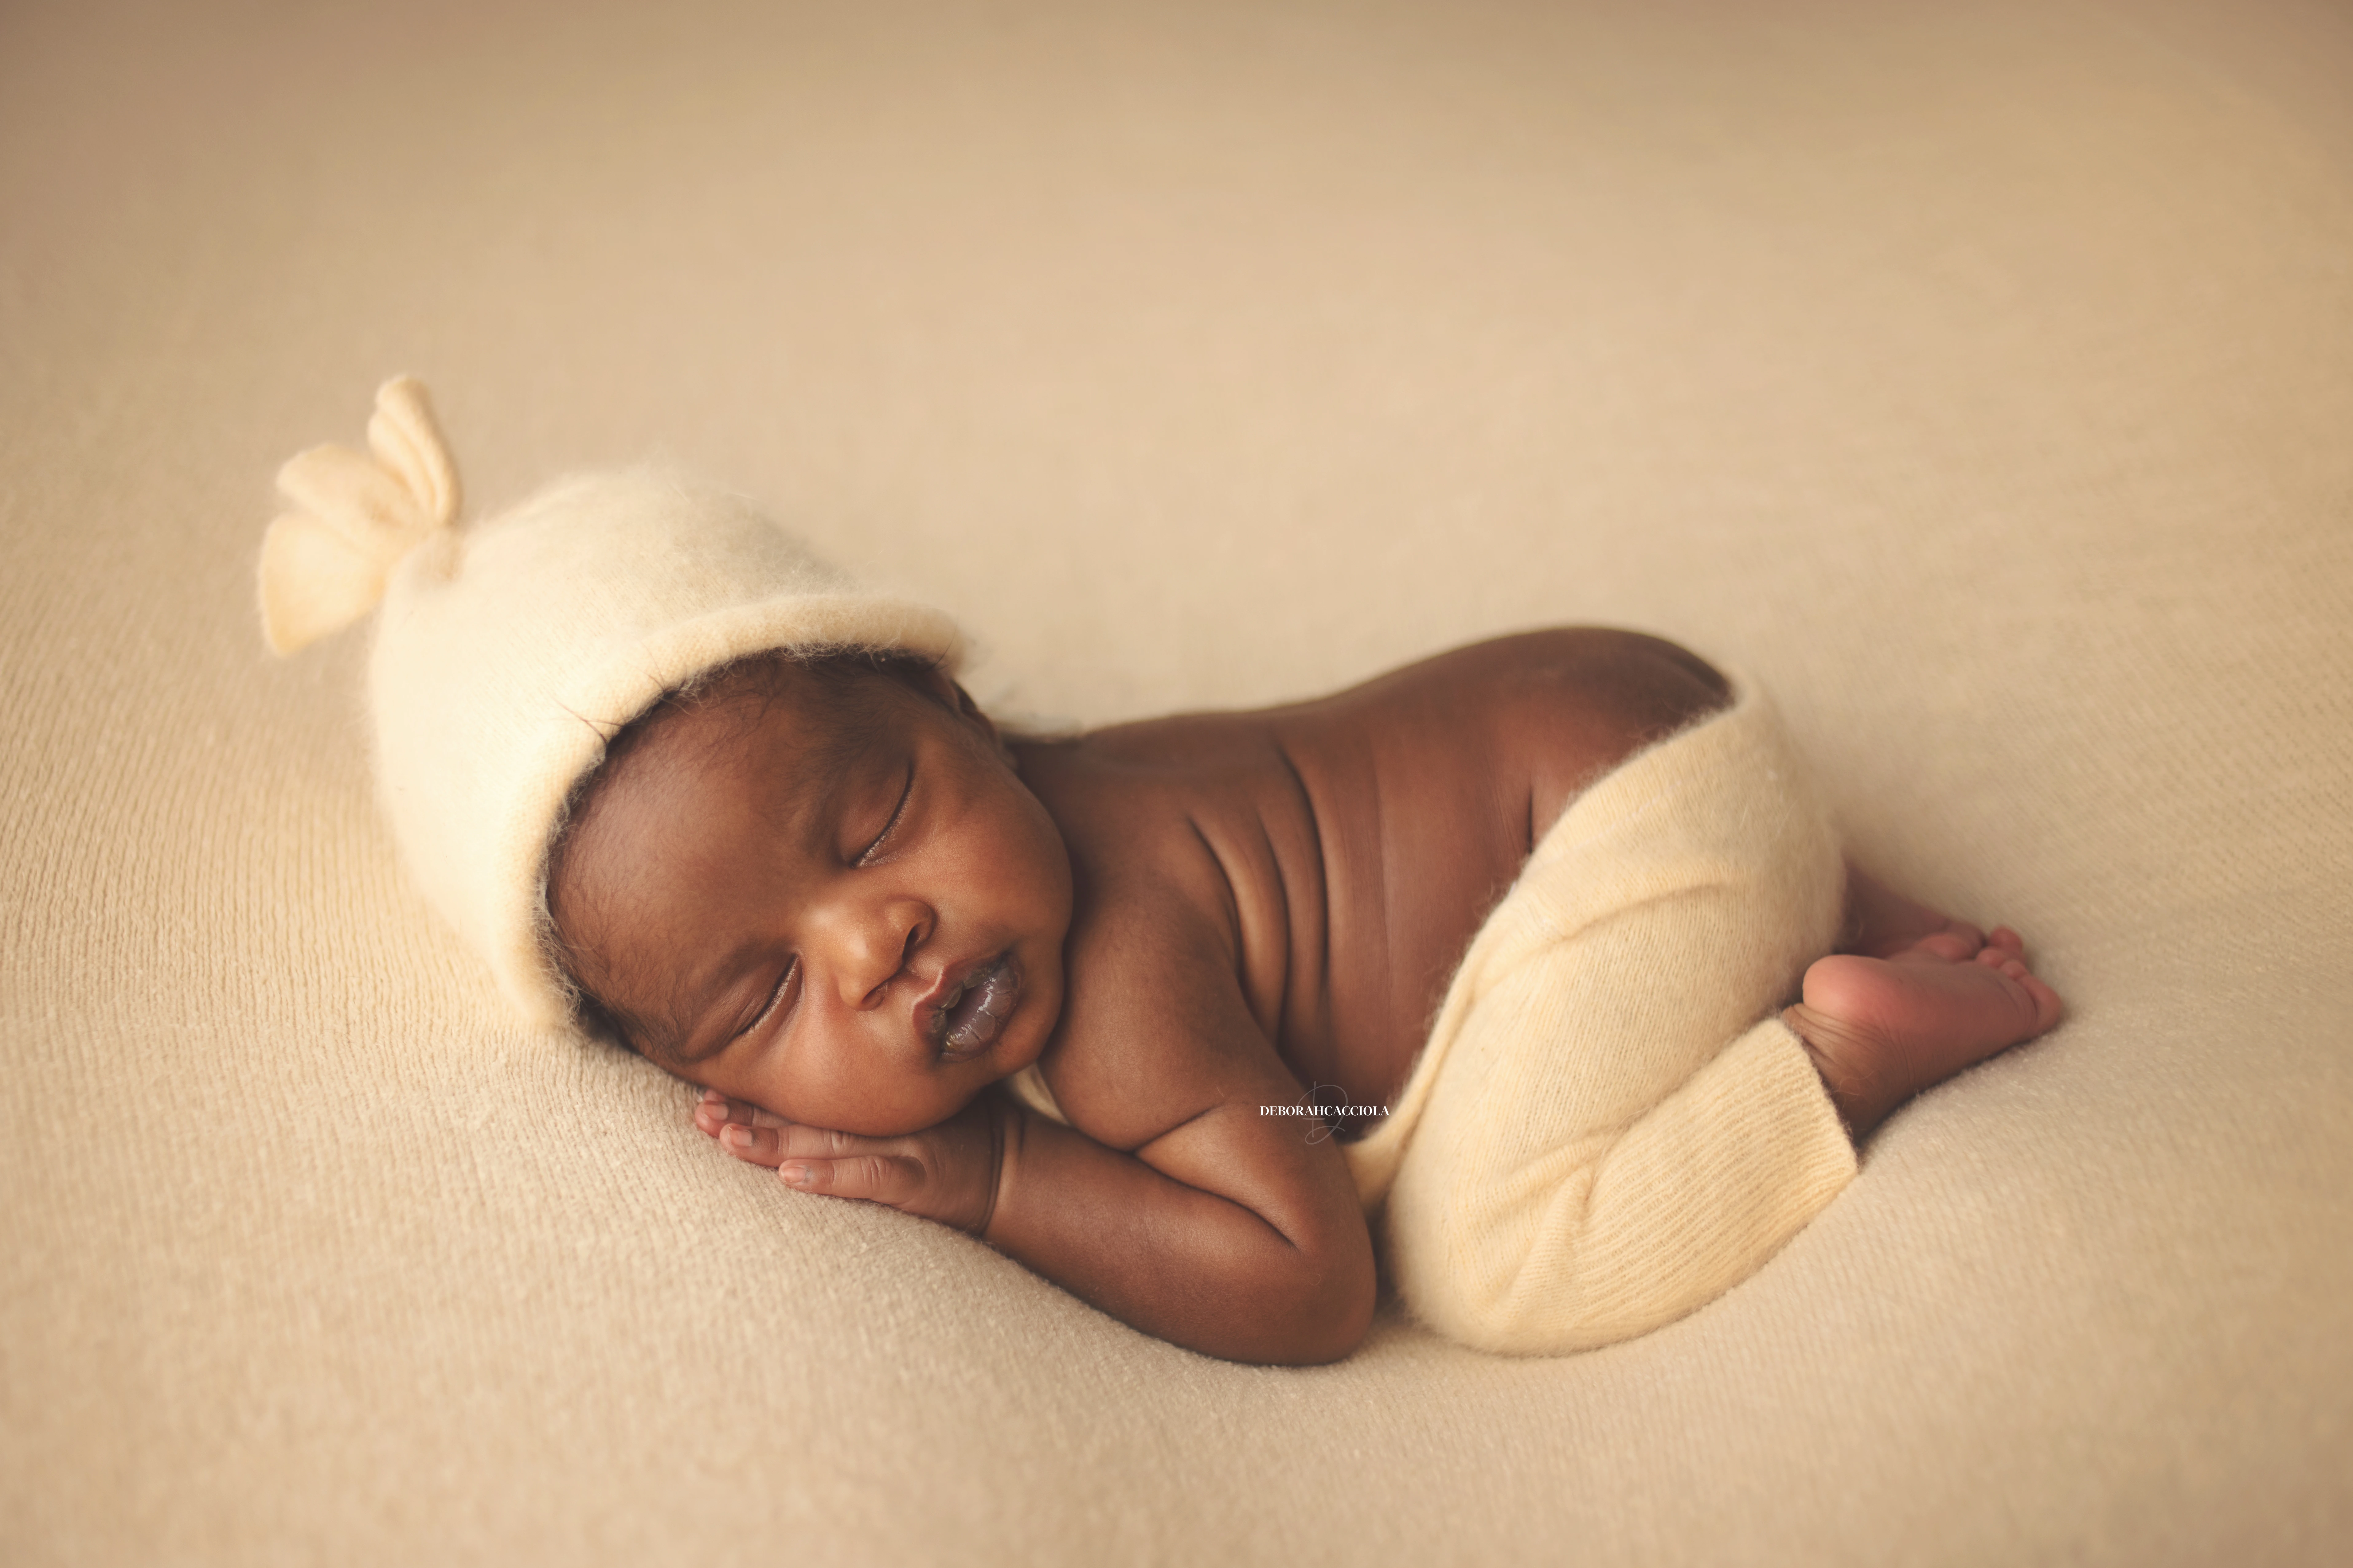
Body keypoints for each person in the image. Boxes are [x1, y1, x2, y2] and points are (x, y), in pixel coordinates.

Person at [261, 379, 2062, 1366]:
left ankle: (1842, 1046)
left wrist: (997, 1182)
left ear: (960, 710)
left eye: (873, 825)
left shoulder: (1117, 982)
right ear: (685, 1076)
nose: (879, 944)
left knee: (1493, 1262)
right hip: (1633, 710)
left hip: (1627, 821)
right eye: (765, 992)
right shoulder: (1044, 813)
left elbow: (1306, 1277)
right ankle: (1826, 886)